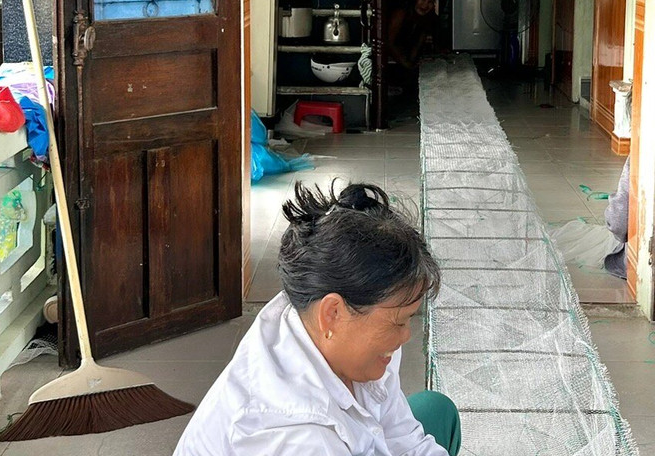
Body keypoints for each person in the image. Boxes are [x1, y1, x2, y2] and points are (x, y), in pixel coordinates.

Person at [174, 183, 460, 456]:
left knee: (435, 410)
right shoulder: (297, 436)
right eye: (399, 321)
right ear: (332, 313)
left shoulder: (319, 316)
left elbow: (403, 437)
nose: (405, 336)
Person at [386, 0, 439, 72]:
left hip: (404, 65)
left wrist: (412, 64)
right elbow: (389, 42)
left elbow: (417, 45)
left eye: (430, 1)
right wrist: (407, 64)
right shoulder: (400, 13)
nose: (425, 5)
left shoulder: (425, 18)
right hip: (387, 64)